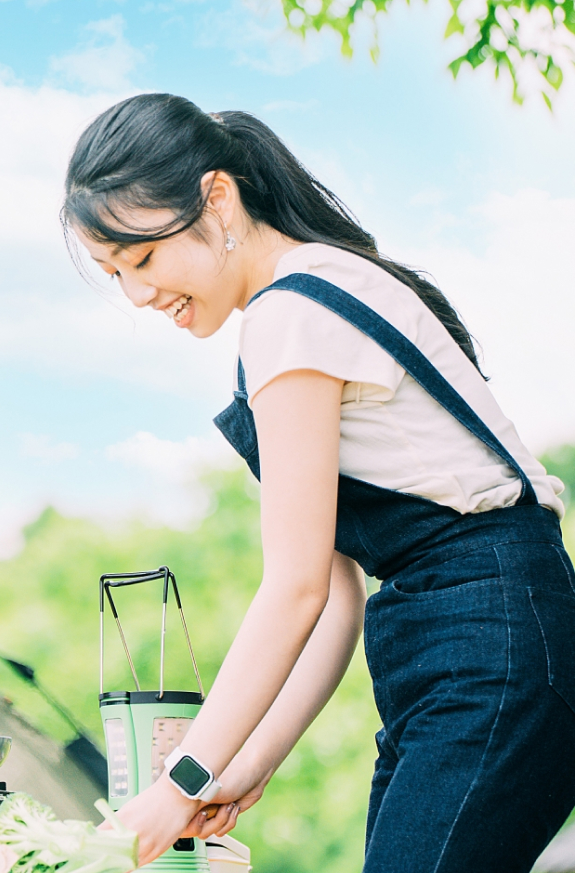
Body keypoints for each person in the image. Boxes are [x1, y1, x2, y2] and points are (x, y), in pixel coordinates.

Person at [62, 93, 575, 872]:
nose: (137, 293)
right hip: (459, 648)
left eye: (143, 257)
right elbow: (334, 597)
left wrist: (178, 785)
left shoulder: (290, 313)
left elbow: (293, 589)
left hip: (489, 642)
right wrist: (246, 764)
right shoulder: (306, 297)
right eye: (114, 273)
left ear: (218, 199)